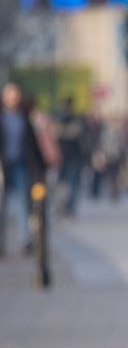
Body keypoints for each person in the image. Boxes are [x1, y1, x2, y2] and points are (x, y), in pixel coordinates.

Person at [0, 83, 48, 256]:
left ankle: (25, 239)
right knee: (2, 205)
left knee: (22, 201)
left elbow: (33, 144)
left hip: (20, 164)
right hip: (3, 165)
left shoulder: (25, 117)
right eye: (9, 95)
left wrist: (41, 167)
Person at [56, 97, 87, 218]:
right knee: (68, 183)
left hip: (70, 156)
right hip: (67, 156)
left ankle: (68, 206)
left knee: (69, 183)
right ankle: (67, 206)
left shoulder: (65, 119)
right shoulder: (73, 119)